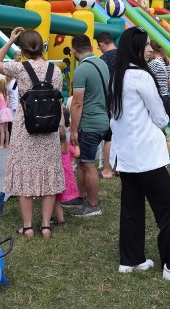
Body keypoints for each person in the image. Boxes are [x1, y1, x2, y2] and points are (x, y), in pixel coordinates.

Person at [109, 27, 170, 284]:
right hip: (145, 153)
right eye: (147, 44)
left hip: (125, 153)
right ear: (136, 47)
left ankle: (131, 259)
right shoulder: (140, 75)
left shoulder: (117, 75)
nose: (151, 48)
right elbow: (160, 116)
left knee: (132, 207)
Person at [0, 27, 64, 238]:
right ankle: (46, 226)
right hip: (49, 128)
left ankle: (28, 226)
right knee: (48, 175)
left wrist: (9, 40)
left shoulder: (20, 69)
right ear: (42, 47)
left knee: (25, 176)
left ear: (22, 50)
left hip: (26, 128)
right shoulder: (56, 70)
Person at [68, 34, 109, 217]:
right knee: (82, 161)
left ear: (74, 51)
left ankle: (92, 205)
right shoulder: (102, 64)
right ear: (91, 47)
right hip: (103, 119)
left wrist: (73, 129)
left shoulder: (81, 70)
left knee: (87, 164)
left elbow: (77, 103)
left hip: (89, 123)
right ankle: (81, 196)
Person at [96, 31, 117, 180]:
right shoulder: (126, 55)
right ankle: (122, 167)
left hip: (109, 101)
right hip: (128, 100)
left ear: (102, 44)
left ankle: (108, 169)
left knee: (109, 137)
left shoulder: (102, 60)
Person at [52, 125, 80, 227]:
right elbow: (77, 154)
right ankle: (54, 216)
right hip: (66, 177)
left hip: (56, 177)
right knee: (56, 199)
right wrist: (76, 144)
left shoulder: (52, 149)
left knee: (55, 199)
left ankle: (60, 220)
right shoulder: (67, 146)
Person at [148, 40, 170, 115]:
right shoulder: (166, 62)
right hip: (166, 96)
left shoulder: (154, 63)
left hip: (159, 96)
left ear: (152, 50)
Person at [0, 79, 13, 149]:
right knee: (6, 130)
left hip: (2, 113)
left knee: (1, 130)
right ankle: (7, 144)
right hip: (7, 113)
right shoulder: (7, 96)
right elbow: (9, 106)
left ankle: (1, 145)